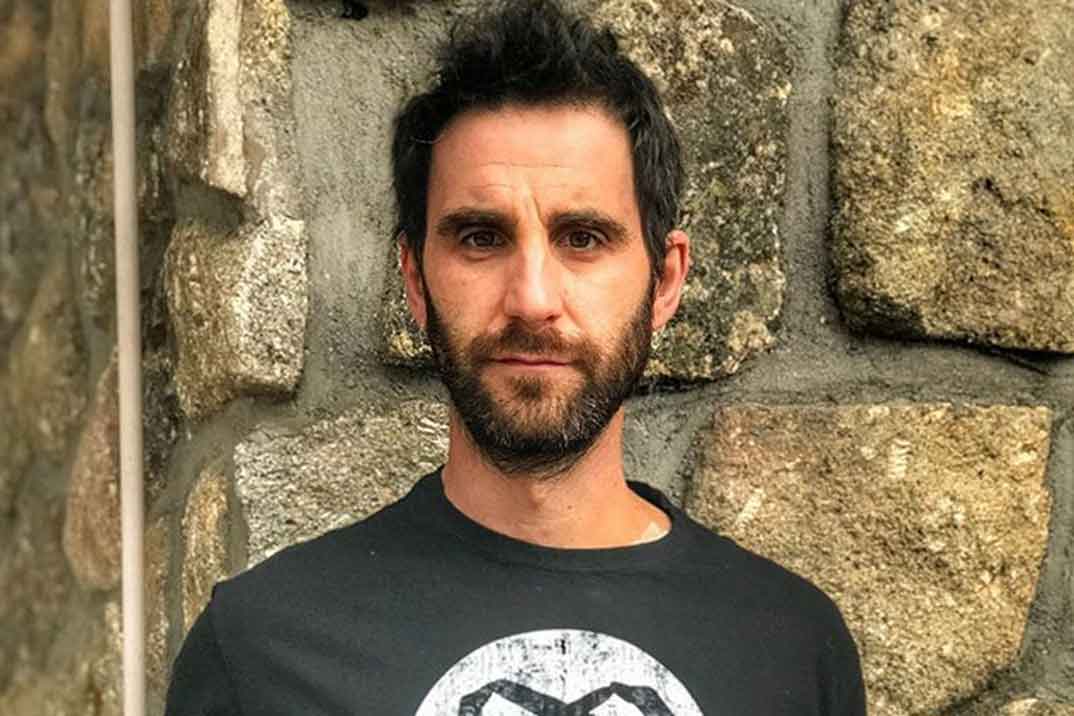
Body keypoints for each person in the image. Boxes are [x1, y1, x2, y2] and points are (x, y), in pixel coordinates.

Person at [166, 1, 866, 714]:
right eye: (481, 238)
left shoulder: (790, 648)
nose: (532, 299)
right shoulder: (261, 652)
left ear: (664, 281)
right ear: (415, 280)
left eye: (583, 238)